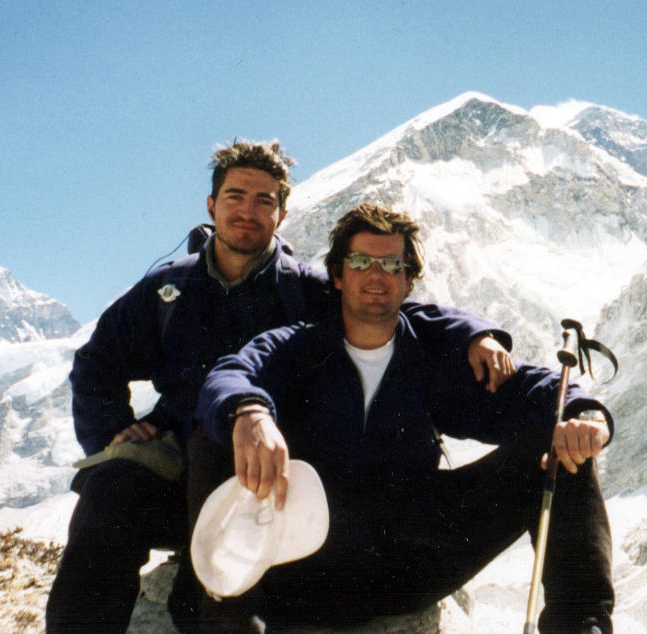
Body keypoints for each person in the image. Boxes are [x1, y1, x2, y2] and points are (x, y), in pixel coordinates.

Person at [46, 142, 516, 633]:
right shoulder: (169, 289)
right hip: (179, 464)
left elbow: (390, 308)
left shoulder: (308, 291)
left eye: (264, 201)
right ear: (211, 205)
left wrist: (473, 332)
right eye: (235, 196)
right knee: (109, 491)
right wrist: (115, 432)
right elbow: (96, 363)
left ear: (282, 213)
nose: (248, 212)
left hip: (271, 478)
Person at [191, 203, 616, 633]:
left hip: (412, 560)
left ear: (408, 281)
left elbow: (535, 390)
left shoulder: (430, 357)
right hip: (311, 567)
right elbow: (233, 374)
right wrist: (250, 412)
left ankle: (581, 626)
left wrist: (587, 416)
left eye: (392, 264)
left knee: (560, 450)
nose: (376, 275)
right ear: (338, 276)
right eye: (360, 262)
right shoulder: (298, 349)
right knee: (221, 432)